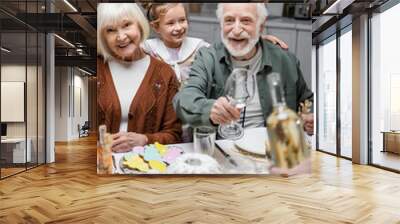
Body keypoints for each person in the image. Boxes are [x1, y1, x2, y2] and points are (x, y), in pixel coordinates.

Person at [173, 2, 314, 135]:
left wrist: (311, 117)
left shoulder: (285, 60)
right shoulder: (207, 57)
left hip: (272, 147)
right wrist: (209, 110)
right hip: (221, 147)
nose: (236, 30)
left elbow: (308, 101)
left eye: (246, 21)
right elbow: (183, 100)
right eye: (229, 20)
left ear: (261, 26)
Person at [97, 3, 182, 153]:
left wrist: (145, 140)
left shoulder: (165, 73)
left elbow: (174, 135)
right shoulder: (97, 68)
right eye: (110, 30)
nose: (121, 37)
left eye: (127, 25)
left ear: (140, 25)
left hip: (144, 167)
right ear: (102, 36)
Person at [141, 3, 289, 85]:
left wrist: (257, 39)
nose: (179, 27)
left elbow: (229, 49)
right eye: (170, 23)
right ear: (155, 27)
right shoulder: (148, 49)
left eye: (182, 20)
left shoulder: (199, 46)